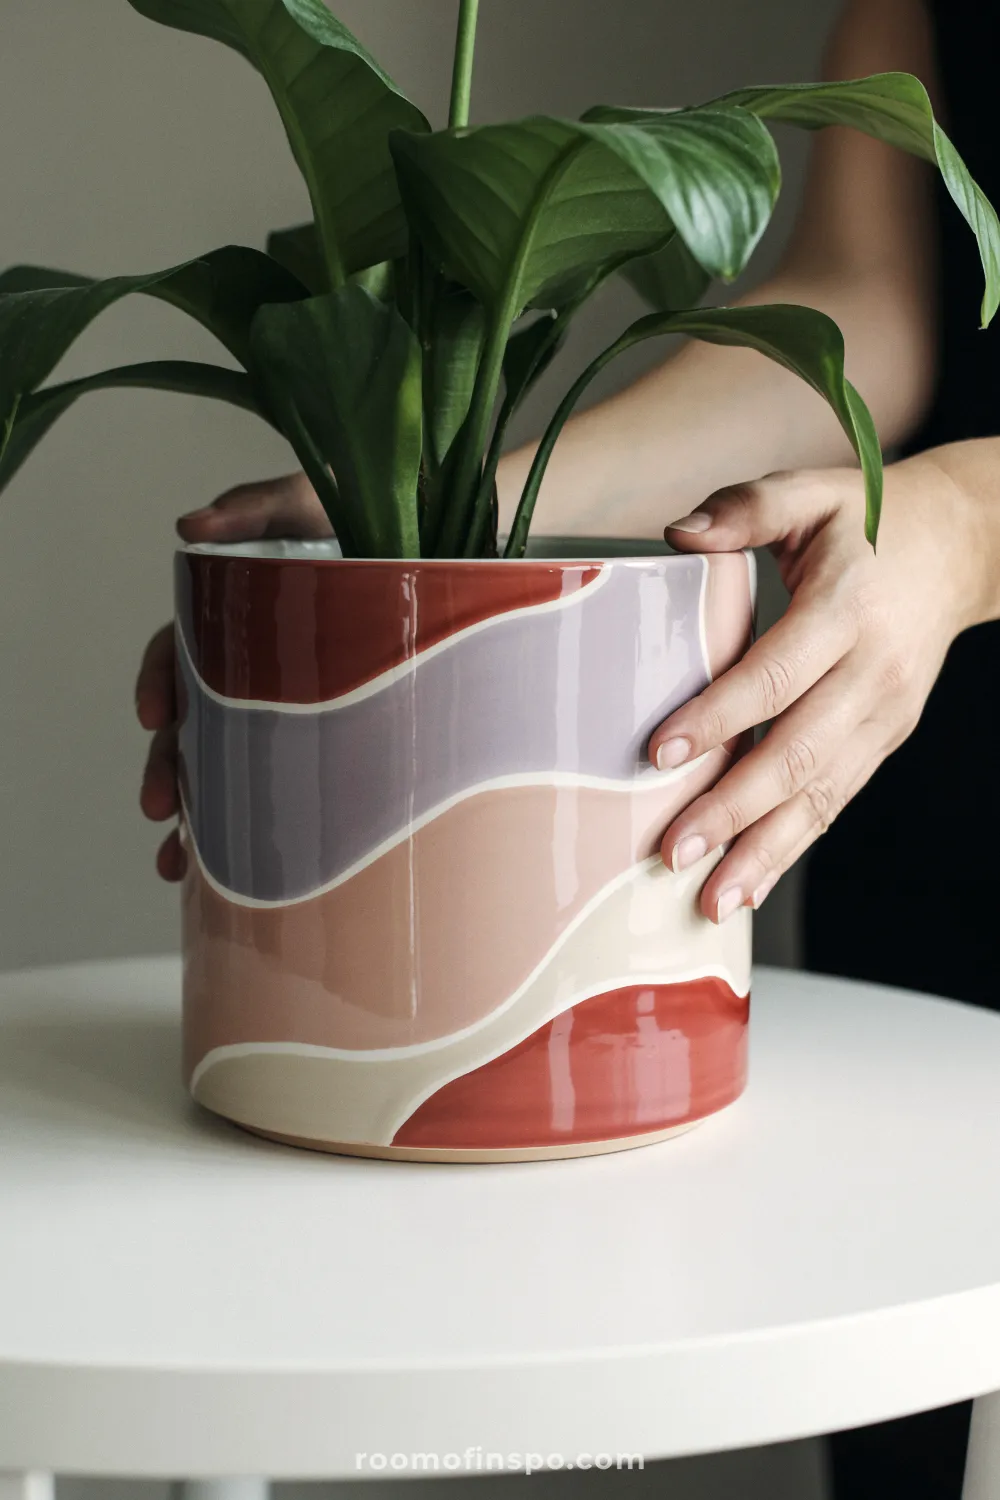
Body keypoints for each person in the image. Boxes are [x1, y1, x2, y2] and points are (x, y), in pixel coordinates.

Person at [136, 0, 999, 1494]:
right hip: (912, 751)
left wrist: (969, 525)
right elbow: (864, 313)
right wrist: (413, 520)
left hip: (909, 620)